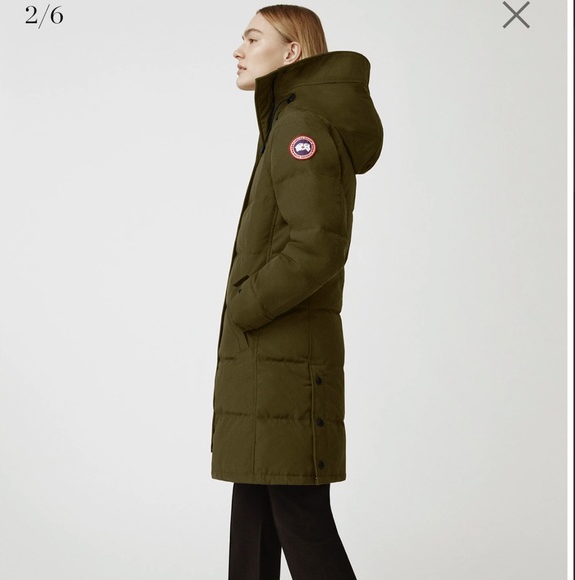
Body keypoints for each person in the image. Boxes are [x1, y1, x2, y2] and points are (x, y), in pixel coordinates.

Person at [210, 5, 384, 579]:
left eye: (252, 37)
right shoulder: (286, 121)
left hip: (284, 359)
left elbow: (318, 247)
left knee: (301, 523)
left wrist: (244, 304)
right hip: (268, 362)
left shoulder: (299, 127)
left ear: (291, 52)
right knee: (254, 521)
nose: (238, 50)